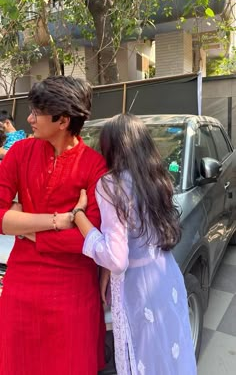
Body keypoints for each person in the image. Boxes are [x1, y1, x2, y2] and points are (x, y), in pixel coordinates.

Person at [72, 114, 197, 375]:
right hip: (165, 277)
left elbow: (117, 259)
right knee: (171, 352)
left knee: (144, 360)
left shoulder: (110, 184)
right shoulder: (155, 176)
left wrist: (79, 217)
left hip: (137, 288)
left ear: (111, 148)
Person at [0, 76, 107, 375]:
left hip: (72, 292)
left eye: (37, 112)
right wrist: (58, 221)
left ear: (62, 120)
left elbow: (91, 239)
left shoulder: (94, 165)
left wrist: (23, 226)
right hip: (21, 288)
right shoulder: (20, 153)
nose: (29, 119)